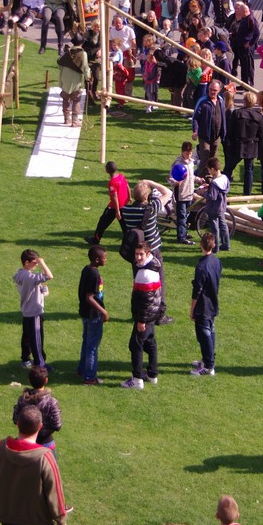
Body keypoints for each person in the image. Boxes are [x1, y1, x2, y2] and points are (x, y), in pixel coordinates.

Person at [121, 180, 174, 325]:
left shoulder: (126, 211)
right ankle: (159, 314)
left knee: (139, 284)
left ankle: (138, 313)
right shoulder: (152, 208)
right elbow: (168, 193)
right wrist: (150, 182)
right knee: (158, 283)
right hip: (152, 251)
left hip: (137, 253)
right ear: (146, 197)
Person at [121, 242, 162, 389]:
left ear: (148, 253)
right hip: (153, 314)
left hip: (146, 316)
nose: (138, 257)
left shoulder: (145, 274)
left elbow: (145, 301)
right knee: (150, 343)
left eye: (141, 254)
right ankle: (152, 374)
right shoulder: (153, 266)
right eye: (136, 254)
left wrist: (141, 320)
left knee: (135, 345)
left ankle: (137, 379)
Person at [14, 249, 54, 370]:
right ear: (26, 262)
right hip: (34, 312)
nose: (36, 264)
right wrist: (42, 263)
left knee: (27, 337)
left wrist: (42, 292)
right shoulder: (30, 277)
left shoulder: (20, 274)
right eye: (34, 262)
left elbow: (30, 289)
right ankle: (40, 364)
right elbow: (49, 276)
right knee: (37, 339)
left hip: (26, 311)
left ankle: (26, 359)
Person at [189, 232, 221, 377]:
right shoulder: (216, 261)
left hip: (203, 305)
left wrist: (192, 309)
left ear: (201, 244)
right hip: (213, 301)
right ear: (213, 245)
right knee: (211, 331)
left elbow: (197, 290)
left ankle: (208, 366)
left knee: (204, 334)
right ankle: (208, 360)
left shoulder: (201, 266)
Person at [77, 245, 109, 385]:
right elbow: (89, 297)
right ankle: (89, 377)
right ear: (97, 259)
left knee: (86, 341)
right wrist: (103, 312)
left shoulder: (86, 269)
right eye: (104, 258)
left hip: (85, 312)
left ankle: (82, 369)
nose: (105, 260)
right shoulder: (94, 274)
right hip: (93, 315)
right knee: (92, 346)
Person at [224, 91, 263, 195]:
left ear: (244, 101)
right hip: (251, 146)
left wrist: (229, 143)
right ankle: (247, 194)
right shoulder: (258, 116)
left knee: (228, 168)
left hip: (237, 145)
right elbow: (261, 135)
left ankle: (223, 190)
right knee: (249, 170)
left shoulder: (237, 113)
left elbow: (230, 131)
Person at [13, 365, 63, 447]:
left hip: (25, 442)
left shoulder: (22, 399)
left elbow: (16, 419)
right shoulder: (51, 402)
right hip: (45, 443)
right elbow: (57, 425)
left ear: (29, 381)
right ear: (46, 380)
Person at [88, 161, 131, 245]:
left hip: (114, 207)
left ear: (107, 170)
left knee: (102, 222)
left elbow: (115, 197)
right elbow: (127, 186)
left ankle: (96, 240)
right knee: (125, 226)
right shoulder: (121, 177)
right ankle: (130, 242)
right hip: (124, 205)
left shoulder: (112, 183)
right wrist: (129, 197)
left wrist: (117, 211)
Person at [192, 80, 226, 177]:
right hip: (204, 136)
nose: (212, 92)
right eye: (210, 89)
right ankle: (200, 179)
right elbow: (195, 118)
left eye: (215, 90)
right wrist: (195, 131)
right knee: (205, 158)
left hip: (216, 136)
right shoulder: (202, 101)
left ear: (219, 90)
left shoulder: (221, 101)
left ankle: (210, 179)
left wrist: (224, 133)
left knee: (213, 159)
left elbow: (223, 117)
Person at [57, 36, 90, 127]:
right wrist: (88, 78)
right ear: (81, 43)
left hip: (64, 78)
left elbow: (59, 65)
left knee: (65, 98)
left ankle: (66, 119)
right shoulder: (83, 53)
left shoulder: (67, 52)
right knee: (76, 99)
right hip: (75, 79)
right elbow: (85, 67)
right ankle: (75, 121)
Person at [200, 158, 231, 253]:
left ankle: (215, 247)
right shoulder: (225, 177)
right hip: (222, 206)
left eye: (209, 170)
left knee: (215, 229)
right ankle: (226, 245)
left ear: (213, 169)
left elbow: (212, 197)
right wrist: (209, 187)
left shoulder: (214, 183)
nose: (209, 172)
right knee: (223, 225)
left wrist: (203, 192)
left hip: (213, 208)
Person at [170, 141, 197, 245]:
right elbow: (170, 178)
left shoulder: (191, 163)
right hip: (181, 194)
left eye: (190, 153)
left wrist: (199, 180)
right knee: (181, 216)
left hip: (190, 193)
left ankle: (184, 232)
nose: (189, 156)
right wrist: (175, 182)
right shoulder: (177, 163)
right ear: (182, 152)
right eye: (187, 153)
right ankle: (181, 237)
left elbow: (191, 176)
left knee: (186, 214)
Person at [228, 2, 259, 87]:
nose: (238, 13)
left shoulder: (251, 20)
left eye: (240, 11)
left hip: (247, 49)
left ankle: (249, 85)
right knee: (243, 66)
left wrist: (250, 43)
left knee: (248, 67)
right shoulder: (244, 19)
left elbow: (257, 33)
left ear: (244, 11)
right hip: (241, 47)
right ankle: (244, 84)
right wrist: (234, 35)